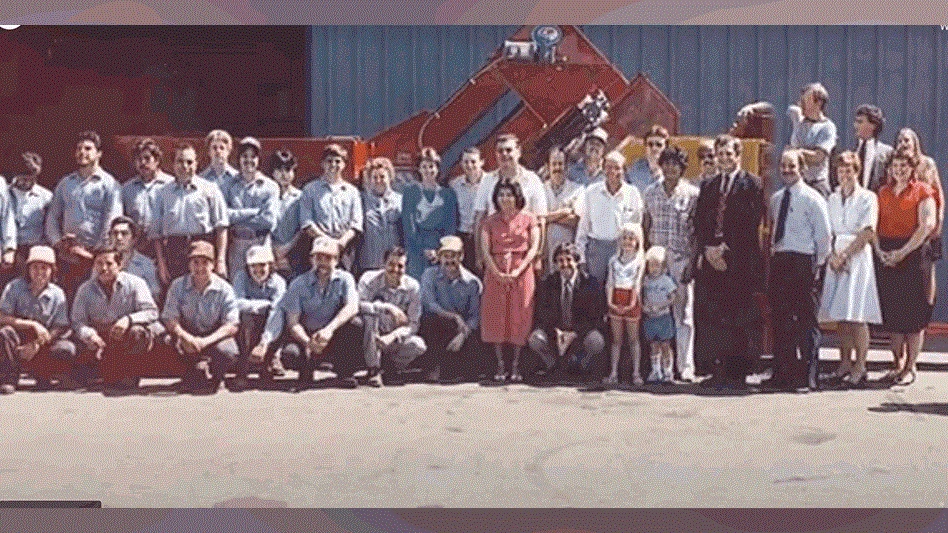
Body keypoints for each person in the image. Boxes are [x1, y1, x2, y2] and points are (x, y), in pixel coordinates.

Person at [693, 135, 764, 390]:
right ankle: (718, 369)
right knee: (715, 315)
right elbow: (700, 221)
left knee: (739, 316)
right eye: (719, 154)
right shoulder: (709, 186)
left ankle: (739, 373)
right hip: (712, 260)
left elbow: (751, 222)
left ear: (738, 155)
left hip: (739, 261)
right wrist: (708, 249)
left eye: (728, 154)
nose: (723, 159)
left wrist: (726, 249)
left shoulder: (752, 184)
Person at [253, 236, 362, 391]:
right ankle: (306, 368)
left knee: (355, 324)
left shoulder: (345, 279)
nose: (323, 262)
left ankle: (344, 372)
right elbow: (293, 322)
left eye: (328, 257)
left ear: (337, 260)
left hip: (331, 333)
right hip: (306, 336)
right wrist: (308, 342)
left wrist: (328, 330)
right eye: (318, 257)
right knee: (291, 354)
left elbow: (352, 307)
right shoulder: (299, 283)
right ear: (312, 259)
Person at [763, 149, 831, 392]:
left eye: (792, 166)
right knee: (781, 319)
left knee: (806, 320)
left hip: (804, 262)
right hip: (781, 261)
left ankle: (809, 377)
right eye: (783, 166)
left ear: (802, 169)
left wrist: (818, 268)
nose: (787, 170)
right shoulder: (777, 199)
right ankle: (783, 373)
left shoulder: (813, 199)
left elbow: (824, 237)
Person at [873, 148, 937, 386]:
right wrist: (881, 252)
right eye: (895, 166)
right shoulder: (883, 192)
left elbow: (927, 225)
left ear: (912, 168)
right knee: (894, 313)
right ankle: (896, 364)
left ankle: (911, 366)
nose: (899, 170)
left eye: (904, 166)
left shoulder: (923, 191)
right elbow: (874, 225)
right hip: (888, 254)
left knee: (914, 315)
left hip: (913, 255)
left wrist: (902, 252)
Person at [818, 151, 882, 387]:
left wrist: (845, 255)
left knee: (857, 315)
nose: (844, 175)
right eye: (840, 170)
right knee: (841, 316)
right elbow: (828, 231)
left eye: (848, 170)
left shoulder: (868, 198)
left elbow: (868, 232)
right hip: (836, 259)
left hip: (857, 257)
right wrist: (833, 257)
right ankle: (844, 362)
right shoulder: (832, 198)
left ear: (857, 171)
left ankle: (860, 365)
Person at [71, 245, 164, 393]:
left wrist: (128, 320)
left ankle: (131, 374)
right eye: (99, 263)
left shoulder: (135, 283)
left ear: (119, 265)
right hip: (101, 337)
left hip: (126, 335)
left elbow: (152, 312)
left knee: (137, 332)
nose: (104, 268)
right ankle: (105, 372)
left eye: (109, 263)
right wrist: (90, 334)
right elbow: (78, 322)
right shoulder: (85, 289)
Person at [642, 145, 700, 382]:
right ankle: (657, 368)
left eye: (675, 164)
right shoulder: (650, 192)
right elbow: (646, 226)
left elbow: (696, 232)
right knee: (655, 313)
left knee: (683, 314)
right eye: (666, 163)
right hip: (657, 261)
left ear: (682, 168)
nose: (669, 168)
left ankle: (685, 366)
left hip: (679, 259)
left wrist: (691, 263)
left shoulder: (692, 194)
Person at [46, 130, 123, 299]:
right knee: (66, 297)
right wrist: (58, 242)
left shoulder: (110, 184)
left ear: (99, 154)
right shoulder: (65, 183)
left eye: (88, 148)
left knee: (94, 298)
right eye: (79, 148)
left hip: (95, 256)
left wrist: (95, 250)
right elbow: (52, 216)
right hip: (67, 255)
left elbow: (113, 219)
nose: (82, 152)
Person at [480, 179, 541, 383]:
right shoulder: (489, 221)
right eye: (501, 195)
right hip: (495, 271)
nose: (505, 199)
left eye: (509, 194)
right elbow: (485, 249)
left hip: (522, 271)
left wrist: (520, 270)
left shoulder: (529, 219)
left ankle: (516, 365)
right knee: (496, 316)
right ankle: (499, 365)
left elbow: (533, 248)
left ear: (517, 197)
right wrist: (496, 272)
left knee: (520, 315)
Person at [161, 241, 240, 394]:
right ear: (189, 265)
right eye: (195, 262)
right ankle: (190, 372)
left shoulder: (224, 289)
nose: (200, 268)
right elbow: (170, 319)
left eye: (205, 262)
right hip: (187, 334)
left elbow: (232, 325)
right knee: (166, 340)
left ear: (213, 265)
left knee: (228, 350)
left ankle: (218, 376)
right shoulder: (177, 285)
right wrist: (186, 336)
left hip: (213, 336)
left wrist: (205, 341)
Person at [0, 246, 76, 394]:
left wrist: (36, 345)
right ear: (28, 269)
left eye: (44, 268)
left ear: (52, 271)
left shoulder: (57, 294)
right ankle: (8, 378)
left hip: (44, 340)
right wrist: (32, 324)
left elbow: (60, 326)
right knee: (4, 333)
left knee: (66, 348)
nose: (39, 272)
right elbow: (2, 317)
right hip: (17, 338)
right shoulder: (14, 287)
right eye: (34, 267)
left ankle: (43, 376)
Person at [152, 143, 230, 284]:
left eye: (189, 162)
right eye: (180, 161)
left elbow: (221, 227)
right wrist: (161, 264)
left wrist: (220, 260)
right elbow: (156, 234)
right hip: (174, 250)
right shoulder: (162, 193)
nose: (185, 166)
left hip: (203, 246)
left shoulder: (210, 189)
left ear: (196, 164)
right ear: (173, 164)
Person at [529, 242, 605, 381]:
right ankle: (553, 366)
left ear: (577, 261)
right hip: (556, 333)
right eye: (560, 261)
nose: (565, 264)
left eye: (569, 260)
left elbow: (595, 316)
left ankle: (581, 366)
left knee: (596, 341)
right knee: (536, 339)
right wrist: (556, 331)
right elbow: (542, 312)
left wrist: (574, 333)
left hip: (581, 332)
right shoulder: (549, 282)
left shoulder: (589, 283)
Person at [471, 134, 548, 270]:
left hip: (524, 253)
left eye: (508, 150)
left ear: (518, 152)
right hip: (493, 254)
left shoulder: (533, 180)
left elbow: (541, 220)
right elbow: (479, 219)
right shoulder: (487, 180)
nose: (504, 154)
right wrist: (479, 255)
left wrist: (538, 255)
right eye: (500, 151)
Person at [356, 247, 426, 387]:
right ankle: (373, 370)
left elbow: (413, 324)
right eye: (391, 264)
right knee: (370, 315)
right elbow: (358, 305)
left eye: (400, 266)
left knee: (418, 345)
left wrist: (393, 336)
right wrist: (387, 307)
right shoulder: (369, 279)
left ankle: (390, 369)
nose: (395, 269)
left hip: (395, 340)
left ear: (406, 267)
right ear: (383, 265)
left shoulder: (413, 287)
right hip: (370, 337)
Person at [418, 236, 484, 384]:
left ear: (461, 256)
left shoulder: (472, 282)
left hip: (462, 328)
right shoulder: (429, 275)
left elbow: (475, 316)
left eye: (453, 256)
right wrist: (453, 316)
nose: (449, 261)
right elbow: (429, 304)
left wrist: (463, 334)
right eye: (445, 256)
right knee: (430, 322)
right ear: (439, 257)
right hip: (439, 322)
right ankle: (434, 368)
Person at [575, 150, 644, 289]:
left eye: (617, 167)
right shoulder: (591, 192)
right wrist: (581, 257)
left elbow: (637, 229)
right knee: (596, 294)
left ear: (624, 170)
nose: (612, 171)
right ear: (603, 169)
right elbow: (583, 227)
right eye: (608, 167)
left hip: (623, 252)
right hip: (596, 252)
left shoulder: (633, 193)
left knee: (620, 294)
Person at [894, 128, 944, 307]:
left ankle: (928, 306)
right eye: (900, 140)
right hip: (908, 223)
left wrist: (939, 220)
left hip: (927, 221)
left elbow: (938, 193)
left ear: (915, 142)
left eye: (907, 140)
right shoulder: (898, 164)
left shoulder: (927, 163)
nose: (903, 144)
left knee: (928, 269)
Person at [298, 143, 364, 272]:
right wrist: (327, 241)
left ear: (344, 164)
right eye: (329, 161)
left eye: (337, 161)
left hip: (344, 250)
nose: (333, 165)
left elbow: (356, 224)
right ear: (322, 164)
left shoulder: (352, 192)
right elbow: (306, 222)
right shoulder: (310, 189)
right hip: (318, 248)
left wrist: (341, 242)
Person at [224, 136, 280, 282]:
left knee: (262, 285)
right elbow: (225, 216)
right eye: (244, 156)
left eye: (253, 156)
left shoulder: (271, 186)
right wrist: (254, 212)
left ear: (259, 159)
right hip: (237, 245)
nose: (249, 161)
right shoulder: (229, 185)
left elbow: (268, 221)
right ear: (239, 158)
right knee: (236, 287)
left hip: (261, 243)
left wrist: (238, 217)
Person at [231, 244, 286, 391]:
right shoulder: (240, 277)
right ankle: (243, 366)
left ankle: (269, 360)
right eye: (253, 266)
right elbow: (236, 303)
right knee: (245, 316)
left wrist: (264, 342)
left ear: (270, 265)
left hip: (270, 325)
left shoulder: (279, 282)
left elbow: (277, 311)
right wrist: (262, 305)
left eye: (262, 265)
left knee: (281, 315)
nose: (257, 270)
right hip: (248, 324)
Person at [401, 147, 458, 279]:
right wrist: (423, 249)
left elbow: (451, 225)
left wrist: (439, 249)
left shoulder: (448, 194)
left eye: (431, 166)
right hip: (416, 249)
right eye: (424, 167)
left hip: (441, 251)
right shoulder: (410, 191)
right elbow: (409, 225)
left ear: (437, 169)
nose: (428, 171)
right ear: (419, 169)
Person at [121, 137, 173, 258]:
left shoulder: (170, 185)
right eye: (139, 159)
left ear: (157, 160)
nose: (143, 163)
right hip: (136, 247)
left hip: (166, 247)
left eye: (147, 158)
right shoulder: (127, 188)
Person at [541, 146, 584, 271]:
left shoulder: (577, 190)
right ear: (548, 166)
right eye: (554, 164)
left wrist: (547, 218)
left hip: (569, 254)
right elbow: (536, 219)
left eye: (561, 164)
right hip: (546, 253)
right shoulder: (540, 190)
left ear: (566, 166)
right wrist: (564, 212)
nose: (557, 168)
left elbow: (576, 221)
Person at [7, 152, 52, 272]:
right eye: (23, 177)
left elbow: (50, 227)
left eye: (31, 177)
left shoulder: (46, 197)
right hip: (8, 251)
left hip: (35, 251)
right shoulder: (4, 194)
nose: (27, 181)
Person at [641, 246, 679, 384]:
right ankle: (655, 370)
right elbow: (642, 295)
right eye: (651, 265)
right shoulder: (646, 281)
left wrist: (663, 305)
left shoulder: (666, 280)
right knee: (654, 345)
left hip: (663, 316)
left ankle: (668, 370)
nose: (654, 268)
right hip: (651, 317)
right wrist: (644, 307)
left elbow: (673, 296)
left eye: (657, 265)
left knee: (665, 345)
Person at [359, 157, 403, 274]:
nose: (379, 180)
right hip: (369, 263)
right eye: (374, 177)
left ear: (390, 178)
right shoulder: (361, 201)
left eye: (382, 177)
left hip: (394, 265)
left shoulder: (400, 201)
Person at [270, 149, 307, 280]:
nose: (284, 175)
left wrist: (286, 248)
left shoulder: (300, 197)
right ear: (273, 172)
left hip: (294, 253)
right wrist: (273, 249)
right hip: (270, 252)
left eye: (288, 170)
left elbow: (303, 227)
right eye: (280, 170)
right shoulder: (267, 195)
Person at [107, 216, 161, 301]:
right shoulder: (102, 262)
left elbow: (154, 294)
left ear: (134, 238)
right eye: (115, 233)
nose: (119, 238)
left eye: (124, 233)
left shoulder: (146, 263)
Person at [450, 147, 485, 271]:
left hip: (484, 236)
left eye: (473, 162)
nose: (469, 166)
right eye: (466, 162)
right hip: (463, 237)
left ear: (482, 162)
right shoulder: (455, 185)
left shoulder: (490, 183)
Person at [852, 105, 892, 192]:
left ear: (873, 125)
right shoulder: (851, 152)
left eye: (860, 122)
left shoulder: (887, 153)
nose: (855, 125)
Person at [625, 125, 668, 193]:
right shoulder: (633, 170)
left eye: (659, 144)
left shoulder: (672, 170)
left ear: (666, 147)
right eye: (650, 144)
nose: (654, 148)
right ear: (645, 147)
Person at [200, 129, 240, 197]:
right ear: (209, 151)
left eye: (222, 148)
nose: (218, 151)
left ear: (228, 151)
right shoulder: (201, 179)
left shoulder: (237, 178)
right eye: (214, 148)